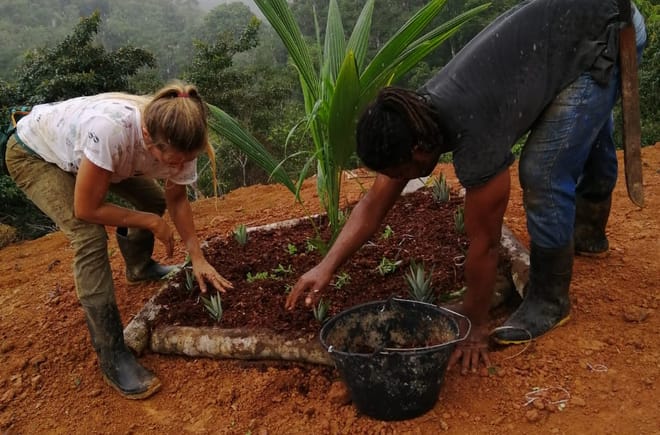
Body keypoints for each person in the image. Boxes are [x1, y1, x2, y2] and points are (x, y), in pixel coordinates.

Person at [285, 0, 647, 374]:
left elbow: (486, 244)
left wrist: (474, 322)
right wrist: (325, 266)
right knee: (581, 131)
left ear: (420, 151)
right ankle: (588, 234)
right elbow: (374, 204)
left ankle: (550, 299)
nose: (400, 180)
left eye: (403, 172)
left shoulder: (474, 134)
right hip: (576, 28)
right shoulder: (414, 117)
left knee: (544, 171)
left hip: (606, 37)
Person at [4, 81, 233, 399]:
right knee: (89, 238)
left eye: (185, 161)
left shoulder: (184, 136)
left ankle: (138, 267)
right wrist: (151, 223)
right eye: (173, 162)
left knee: (154, 200)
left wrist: (197, 257)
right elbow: (86, 209)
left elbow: (176, 199)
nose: (179, 167)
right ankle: (112, 354)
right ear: (151, 142)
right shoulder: (112, 131)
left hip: (89, 155)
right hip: (36, 154)